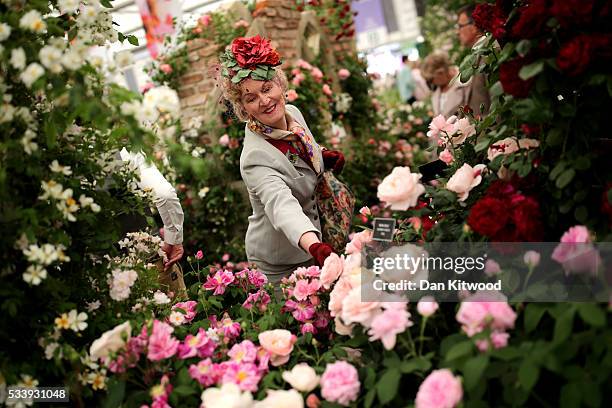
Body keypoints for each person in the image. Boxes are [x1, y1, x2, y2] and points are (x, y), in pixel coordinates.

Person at [217, 35, 344, 285]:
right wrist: (316, 246)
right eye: (250, 97)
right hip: (283, 261)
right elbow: (282, 207)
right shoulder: (255, 157)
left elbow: (299, 146)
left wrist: (321, 155)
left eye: (266, 89)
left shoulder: (293, 113)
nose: (264, 101)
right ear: (243, 108)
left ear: (279, 84)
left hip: (315, 240)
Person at [117, 148, 184, 272]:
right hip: (145, 251)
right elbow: (165, 195)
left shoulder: (75, 152)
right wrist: (173, 240)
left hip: (92, 265)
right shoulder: (125, 149)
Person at [456, 4, 490, 116]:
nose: (457, 32)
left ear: (474, 26)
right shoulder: (478, 52)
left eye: (460, 26)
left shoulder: (490, 51)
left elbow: (497, 102)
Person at [422, 51, 470, 119]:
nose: (431, 83)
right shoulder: (437, 90)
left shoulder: (464, 83)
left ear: (441, 72)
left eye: (431, 79)